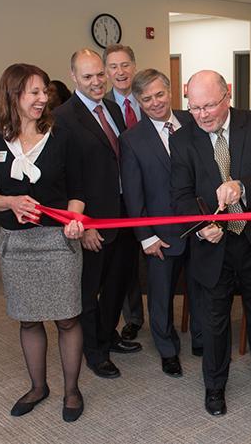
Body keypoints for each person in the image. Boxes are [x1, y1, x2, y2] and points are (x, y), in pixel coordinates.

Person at [170, 70, 251, 416]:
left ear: (229, 95)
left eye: (209, 105)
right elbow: (180, 196)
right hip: (212, 243)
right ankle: (214, 387)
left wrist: (242, 187)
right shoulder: (182, 140)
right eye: (194, 107)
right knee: (213, 318)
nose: (202, 114)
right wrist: (201, 224)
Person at [0, 63, 85, 422]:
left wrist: (73, 219)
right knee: (28, 320)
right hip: (16, 245)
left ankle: (72, 391)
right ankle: (38, 387)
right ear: (13, 96)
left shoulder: (62, 135)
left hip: (58, 242)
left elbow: (78, 188)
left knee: (67, 319)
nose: (43, 99)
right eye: (34, 93)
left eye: (45, 92)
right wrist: (10, 202)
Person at [53, 48, 141, 380]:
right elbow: (64, 178)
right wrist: (83, 224)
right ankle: (93, 351)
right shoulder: (63, 118)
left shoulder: (114, 110)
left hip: (123, 213)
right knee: (90, 290)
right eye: (87, 77)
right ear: (74, 76)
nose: (96, 82)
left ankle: (108, 335)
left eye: (99, 75)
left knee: (118, 283)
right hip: (92, 220)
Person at [120, 68, 202, 377]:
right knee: (161, 295)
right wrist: (146, 237)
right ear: (138, 102)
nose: (155, 103)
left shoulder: (194, 120)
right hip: (161, 235)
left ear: (171, 92)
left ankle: (202, 340)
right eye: (146, 99)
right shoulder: (131, 140)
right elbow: (133, 194)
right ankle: (167, 350)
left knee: (201, 289)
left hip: (199, 227)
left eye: (159, 95)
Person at [103, 44, 143, 342]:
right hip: (118, 197)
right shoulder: (102, 107)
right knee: (124, 263)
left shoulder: (150, 100)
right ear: (106, 71)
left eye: (125, 65)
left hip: (153, 195)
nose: (120, 72)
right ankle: (132, 318)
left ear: (134, 66)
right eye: (114, 66)